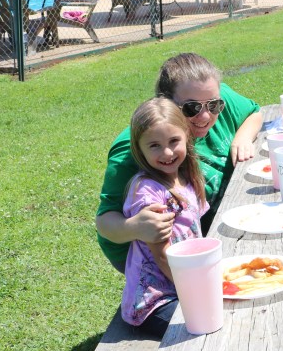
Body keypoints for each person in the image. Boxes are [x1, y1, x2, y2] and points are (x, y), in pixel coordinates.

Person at [96, 53, 263, 273]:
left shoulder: (213, 96)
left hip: (203, 230)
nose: (205, 116)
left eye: (213, 105)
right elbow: (105, 221)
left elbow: (254, 112)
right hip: (147, 260)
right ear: (165, 103)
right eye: (191, 108)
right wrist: (135, 227)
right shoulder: (135, 147)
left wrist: (242, 137)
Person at [121, 98, 208, 337]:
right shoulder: (148, 193)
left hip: (185, 282)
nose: (167, 152)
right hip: (154, 302)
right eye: (155, 146)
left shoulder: (185, 176)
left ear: (187, 136)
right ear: (139, 148)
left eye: (173, 141)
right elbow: (161, 255)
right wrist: (194, 291)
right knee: (206, 324)